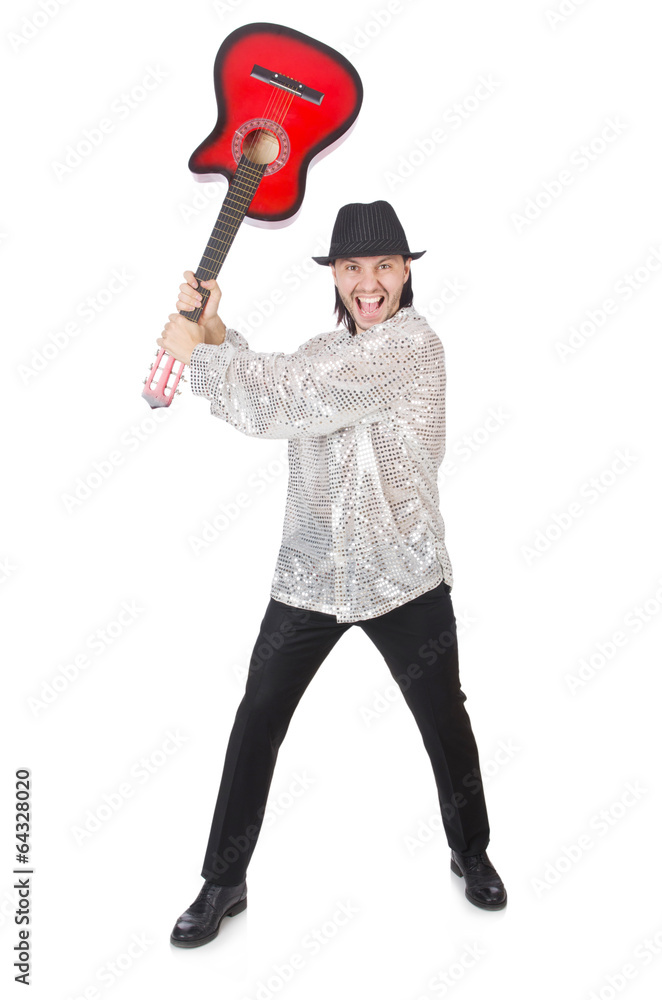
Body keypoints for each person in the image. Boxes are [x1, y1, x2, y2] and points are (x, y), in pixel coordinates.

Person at [158, 200, 507, 949]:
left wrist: (198, 356)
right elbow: (285, 377)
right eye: (353, 267)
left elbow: (295, 398)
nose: (368, 282)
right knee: (257, 717)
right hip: (311, 574)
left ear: (405, 271)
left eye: (383, 266)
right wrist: (213, 329)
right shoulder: (323, 348)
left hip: (403, 574)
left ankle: (471, 851)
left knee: (444, 718)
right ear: (336, 276)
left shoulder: (414, 346)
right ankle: (224, 880)